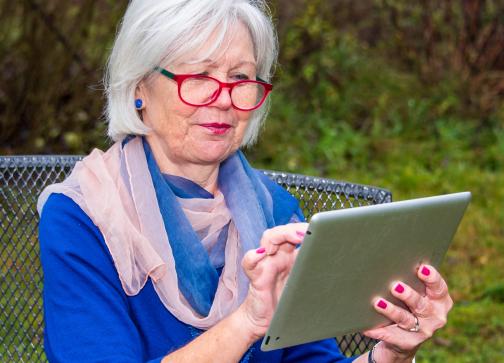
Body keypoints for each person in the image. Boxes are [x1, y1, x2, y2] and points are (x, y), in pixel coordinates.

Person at [37, 1, 454, 362]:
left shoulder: (275, 211)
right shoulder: (81, 215)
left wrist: (392, 354)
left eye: (240, 79)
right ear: (138, 86)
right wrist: (247, 323)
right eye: (199, 76)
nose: (222, 98)